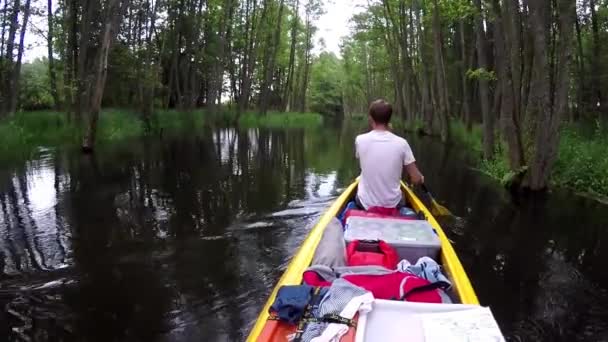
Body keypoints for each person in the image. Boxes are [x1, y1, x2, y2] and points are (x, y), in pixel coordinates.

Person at [355, 99, 424, 211]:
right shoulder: (402, 143)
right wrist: (421, 179)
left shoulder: (360, 140)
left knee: (359, 194)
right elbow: (416, 178)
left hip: (365, 204)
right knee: (402, 198)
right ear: (389, 120)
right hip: (394, 205)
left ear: (371, 119)